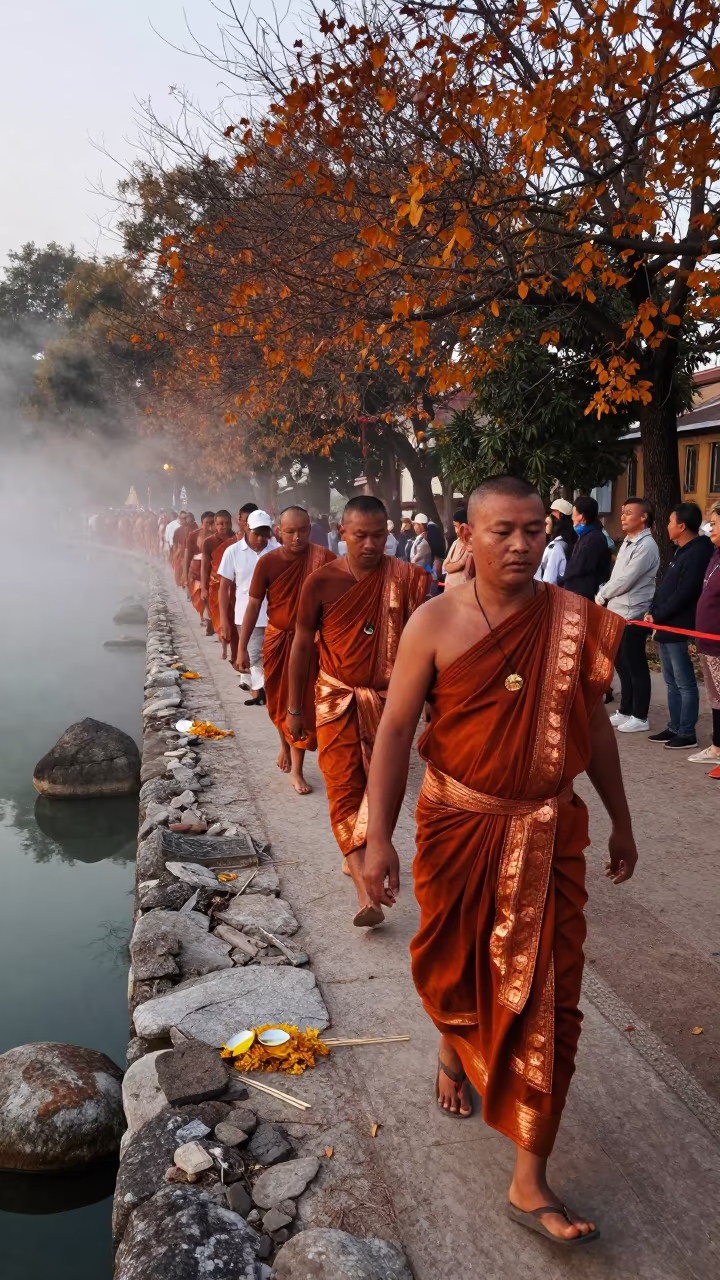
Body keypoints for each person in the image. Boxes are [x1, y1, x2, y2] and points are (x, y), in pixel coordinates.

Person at [363, 474, 636, 1243]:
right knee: (454, 971)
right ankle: (454, 1044)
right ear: (468, 536)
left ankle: (529, 1181)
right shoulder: (435, 622)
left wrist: (621, 820)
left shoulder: (577, 621)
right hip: (458, 829)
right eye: (502, 532)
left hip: (551, 837)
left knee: (550, 1001)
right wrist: (376, 835)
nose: (520, 545)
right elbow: (392, 733)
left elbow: (597, 729)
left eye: (533, 532)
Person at [286, 495, 428, 925]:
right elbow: (302, 642)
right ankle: (365, 890)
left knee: (382, 792)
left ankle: (365, 855)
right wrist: (295, 708)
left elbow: (429, 649)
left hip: (392, 702)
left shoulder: (410, 579)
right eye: (360, 535)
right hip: (335, 698)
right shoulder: (321, 582)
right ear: (342, 532)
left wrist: (436, 706)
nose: (370, 544)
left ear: (390, 534)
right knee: (344, 787)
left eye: (379, 535)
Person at [238, 506, 336, 794]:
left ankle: (297, 769)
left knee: (302, 703)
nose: (297, 537)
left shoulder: (325, 560)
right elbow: (253, 605)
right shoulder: (268, 563)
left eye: (302, 530)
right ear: (279, 532)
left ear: (310, 529)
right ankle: (284, 745)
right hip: (278, 639)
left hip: (311, 644)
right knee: (278, 701)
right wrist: (241, 647)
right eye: (290, 532)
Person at [645, 502, 713, 750]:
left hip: (678, 624)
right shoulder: (681, 550)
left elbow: (684, 593)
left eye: (671, 521)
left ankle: (687, 731)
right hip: (665, 623)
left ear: (682, 526)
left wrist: (660, 614)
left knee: (684, 681)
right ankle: (675, 726)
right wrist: (653, 611)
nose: (667, 526)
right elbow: (666, 587)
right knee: (671, 680)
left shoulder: (697, 553)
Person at [596, 497, 659, 734]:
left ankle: (640, 716)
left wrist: (602, 595)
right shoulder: (628, 542)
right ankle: (625, 709)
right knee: (621, 664)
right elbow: (616, 576)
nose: (622, 516)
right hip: (617, 610)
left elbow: (627, 579)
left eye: (628, 513)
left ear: (643, 517)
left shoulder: (647, 545)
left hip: (633, 612)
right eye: (622, 512)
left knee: (636, 666)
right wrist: (606, 594)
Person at [218, 510, 277, 704]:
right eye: (256, 533)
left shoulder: (278, 551)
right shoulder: (233, 552)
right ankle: (259, 693)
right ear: (246, 529)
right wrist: (223, 620)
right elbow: (224, 587)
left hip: (276, 615)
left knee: (272, 658)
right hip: (245, 615)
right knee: (254, 656)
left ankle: (264, 691)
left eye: (264, 534)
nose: (260, 539)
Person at [692, 501, 720, 775]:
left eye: (716, 521)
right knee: (715, 697)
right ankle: (717, 747)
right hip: (707, 640)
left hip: (719, 643)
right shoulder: (715, 555)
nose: (710, 526)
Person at [561, 496, 612, 600]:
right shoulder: (586, 536)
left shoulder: (594, 538)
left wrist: (564, 578)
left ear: (582, 517)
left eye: (574, 514)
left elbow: (579, 566)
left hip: (584, 597)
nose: (572, 519)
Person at [200, 510, 235, 638]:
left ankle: (230, 637)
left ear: (231, 523)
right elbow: (204, 566)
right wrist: (203, 587)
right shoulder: (209, 542)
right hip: (215, 582)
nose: (223, 526)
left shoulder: (238, 539)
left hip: (234, 582)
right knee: (217, 611)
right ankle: (222, 636)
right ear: (215, 524)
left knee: (232, 613)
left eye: (226, 523)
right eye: (220, 524)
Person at [535, 499, 576, 585]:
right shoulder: (568, 543)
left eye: (552, 516)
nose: (547, 520)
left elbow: (549, 581)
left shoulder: (555, 547)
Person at [184, 511, 216, 621]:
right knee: (199, 594)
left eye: (213, 522)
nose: (210, 525)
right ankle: (203, 616)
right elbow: (187, 556)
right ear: (202, 523)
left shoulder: (219, 536)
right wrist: (185, 574)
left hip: (213, 570)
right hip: (196, 570)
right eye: (208, 523)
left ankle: (210, 617)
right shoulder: (193, 535)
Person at [442, 507, 471, 588]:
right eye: (454, 526)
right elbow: (444, 565)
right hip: (449, 589)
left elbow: (461, 564)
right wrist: (451, 566)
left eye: (456, 526)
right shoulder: (456, 542)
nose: (456, 530)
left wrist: (451, 566)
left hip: (460, 589)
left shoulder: (471, 543)